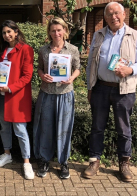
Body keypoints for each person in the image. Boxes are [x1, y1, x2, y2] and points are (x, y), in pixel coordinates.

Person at [83, 2, 137, 182]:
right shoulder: (98, 35)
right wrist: (90, 87)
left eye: (117, 13)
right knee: (97, 127)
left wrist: (130, 70)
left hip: (123, 90)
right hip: (100, 88)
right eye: (109, 14)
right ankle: (94, 161)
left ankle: (124, 163)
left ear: (124, 15)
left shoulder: (134, 35)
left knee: (123, 129)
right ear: (105, 17)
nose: (113, 17)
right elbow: (90, 65)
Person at [32, 17, 81, 179]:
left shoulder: (72, 49)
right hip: (46, 93)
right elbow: (39, 68)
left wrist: (72, 78)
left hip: (65, 93)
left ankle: (63, 162)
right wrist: (42, 76)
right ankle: (44, 160)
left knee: (64, 129)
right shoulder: (44, 50)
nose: (56, 33)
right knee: (45, 128)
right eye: (53, 30)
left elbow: (77, 69)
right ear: (49, 32)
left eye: (59, 30)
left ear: (65, 31)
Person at [0, 20, 34, 180]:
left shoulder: (26, 50)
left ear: (16, 31)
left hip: (16, 96)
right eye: (4, 33)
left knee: (20, 129)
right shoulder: (2, 51)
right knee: (4, 127)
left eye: (9, 32)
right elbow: (0, 72)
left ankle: (27, 162)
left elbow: (27, 76)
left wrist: (11, 88)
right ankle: (7, 154)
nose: (6, 35)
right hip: (1, 95)